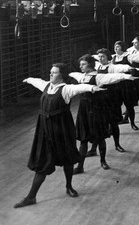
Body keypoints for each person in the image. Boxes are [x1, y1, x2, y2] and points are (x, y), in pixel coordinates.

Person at [14, 63, 104, 208]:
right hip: (44, 129)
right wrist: (28, 79)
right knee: (42, 162)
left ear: (62, 75)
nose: (50, 74)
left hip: (61, 129)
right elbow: (37, 81)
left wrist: (92, 88)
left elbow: (79, 88)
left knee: (67, 159)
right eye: (50, 72)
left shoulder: (66, 89)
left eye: (54, 72)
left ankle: (69, 186)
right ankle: (31, 197)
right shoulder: (46, 86)